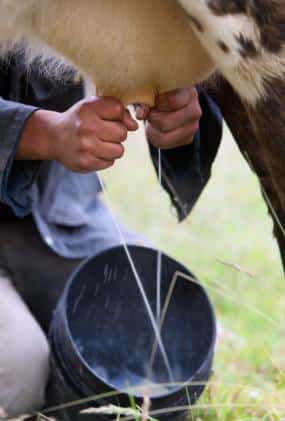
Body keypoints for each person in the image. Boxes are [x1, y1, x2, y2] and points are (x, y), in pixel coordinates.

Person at [0, 54, 222, 418]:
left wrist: (178, 101)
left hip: (58, 212)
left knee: (167, 325)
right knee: (18, 378)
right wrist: (41, 133)